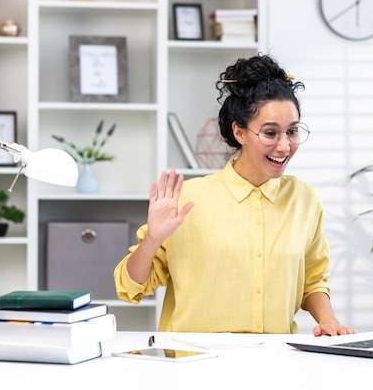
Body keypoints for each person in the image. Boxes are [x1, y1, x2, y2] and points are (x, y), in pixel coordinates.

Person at [114, 54, 355, 336]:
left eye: (292, 132)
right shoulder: (187, 199)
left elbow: (313, 281)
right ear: (239, 132)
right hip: (196, 366)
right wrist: (153, 239)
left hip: (275, 364)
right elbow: (129, 287)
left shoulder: (304, 200)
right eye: (270, 133)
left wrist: (328, 322)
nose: (284, 146)